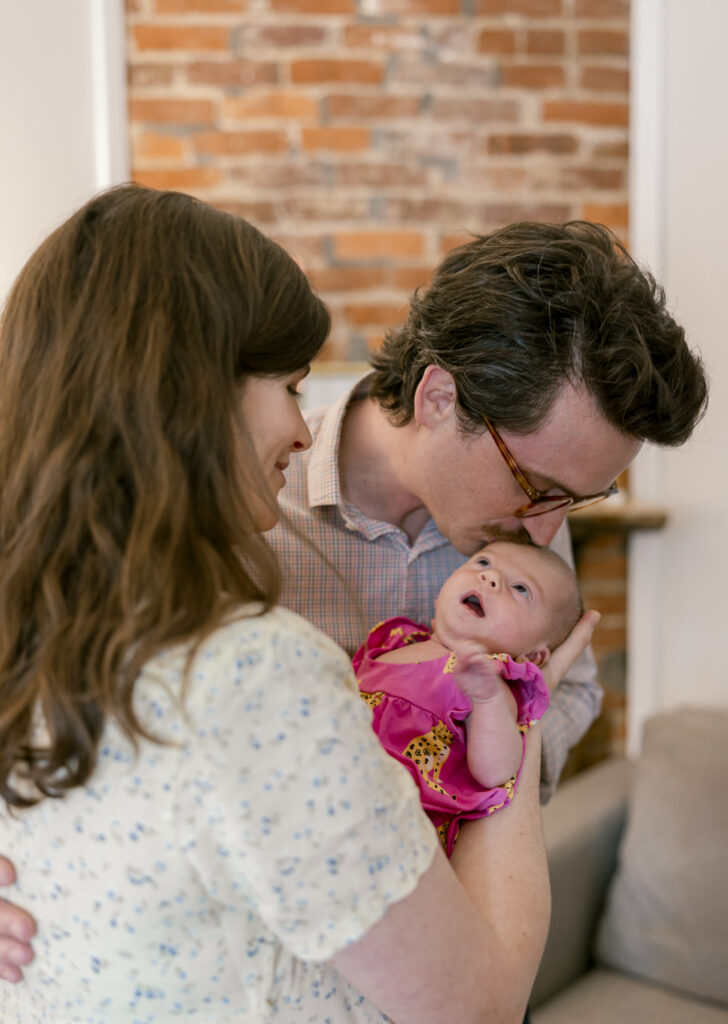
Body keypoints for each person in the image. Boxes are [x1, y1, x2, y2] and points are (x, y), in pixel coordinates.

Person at [0, 183, 584, 1022]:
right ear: (193, 393)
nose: (304, 430)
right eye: (289, 386)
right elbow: (478, 1008)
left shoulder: (30, 629)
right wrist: (520, 704)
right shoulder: (254, 669)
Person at [269, 218, 708, 805]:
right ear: (440, 399)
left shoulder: (529, 514)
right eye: (535, 485)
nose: (547, 531)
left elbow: (573, 690)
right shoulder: (261, 502)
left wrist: (489, 763)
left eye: (574, 501)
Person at [355, 541, 581, 855]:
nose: (491, 579)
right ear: (440, 595)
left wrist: (487, 699)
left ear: (532, 655)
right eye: (484, 563)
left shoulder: (489, 682)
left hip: (394, 826)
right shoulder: (395, 640)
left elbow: (496, 772)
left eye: (520, 588)